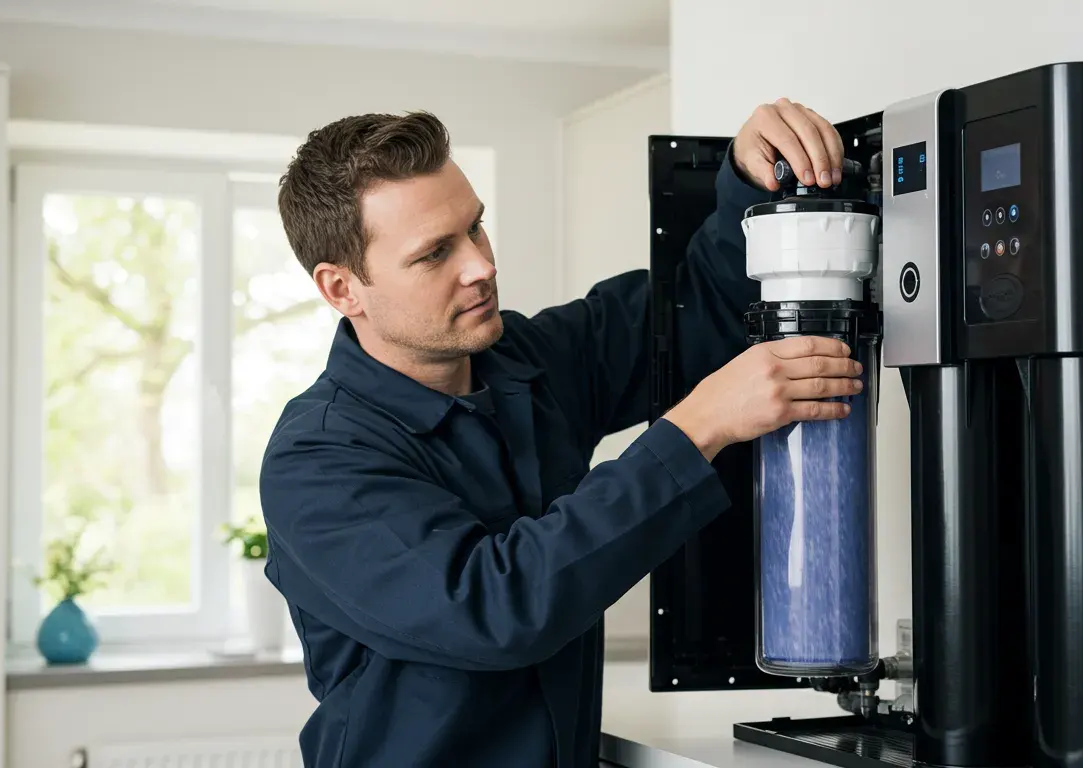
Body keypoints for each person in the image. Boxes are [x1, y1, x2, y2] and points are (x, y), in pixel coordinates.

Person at [259, 99, 862, 768]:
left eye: (475, 228)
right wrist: (699, 428)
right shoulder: (316, 461)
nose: (480, 266)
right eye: (435, 254)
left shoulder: (529, 360)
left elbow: (699, 306)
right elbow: (495, 606)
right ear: (343, 289)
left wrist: (748, 178)